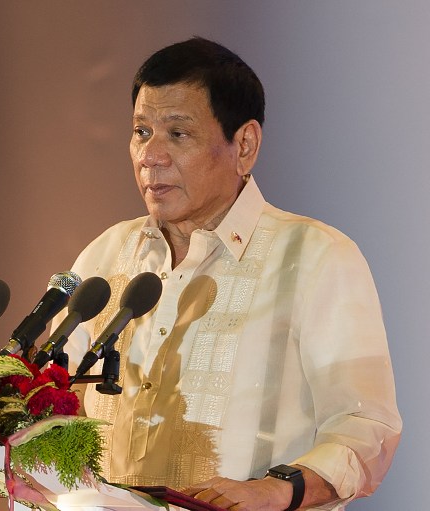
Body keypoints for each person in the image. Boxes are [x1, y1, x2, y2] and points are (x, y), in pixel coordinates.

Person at [58, 37, 401, 511]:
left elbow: (366, 431)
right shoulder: (106, 254)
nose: (150, 155)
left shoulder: (317, 257)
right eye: (141, 131)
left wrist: (276, 489)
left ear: (244, 145)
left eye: (178, 134)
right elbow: (51, 395)